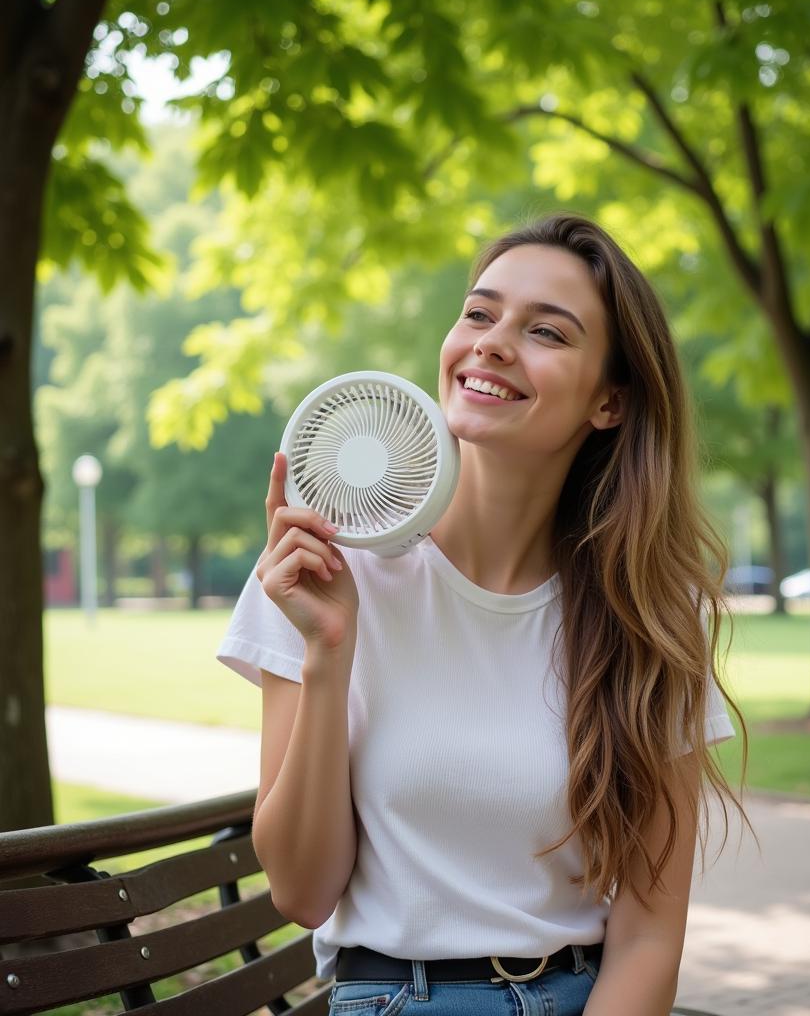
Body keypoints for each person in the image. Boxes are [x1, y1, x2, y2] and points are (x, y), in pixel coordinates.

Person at [216, 212, 753, 1016]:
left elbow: (647, 939)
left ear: (609, 402)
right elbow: (300, 891)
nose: (493, 341)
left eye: (546, 331)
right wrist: (328, 655)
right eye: (479, 312)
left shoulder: (648, 613)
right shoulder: (325, 567)